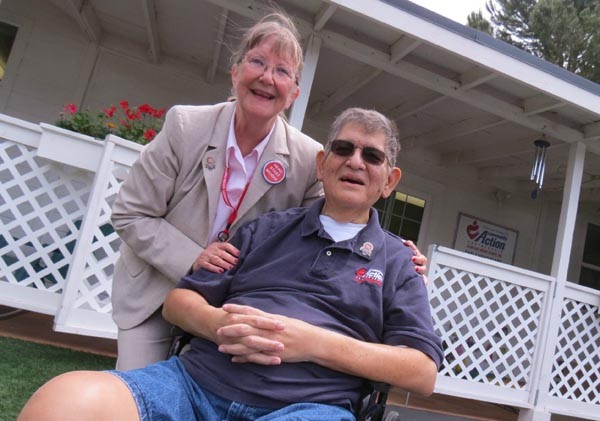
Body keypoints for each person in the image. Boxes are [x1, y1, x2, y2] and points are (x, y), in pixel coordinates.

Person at [19, 108, 443, 421]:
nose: (355, 161)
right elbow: (179, 303)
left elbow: (421, 372)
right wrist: (221, 324)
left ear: (389, 181)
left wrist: (312, 342)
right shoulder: (264, 229)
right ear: (322, 163)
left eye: (372, 156)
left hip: (309, 407)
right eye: (343, 148)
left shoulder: (399, 262)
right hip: (193, 387)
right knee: (63, 404)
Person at [110, 10, 428, 370]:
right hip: (157, 289)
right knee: (137, 390)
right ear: (235, 72)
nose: (266, 77)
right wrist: (195, 258)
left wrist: (396, 254)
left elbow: (334, 221)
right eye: (257, 62)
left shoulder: (309, 158)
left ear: (293, 93)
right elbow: (130, 212)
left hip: (235, 302)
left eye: (282, 71)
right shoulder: (186, 126)